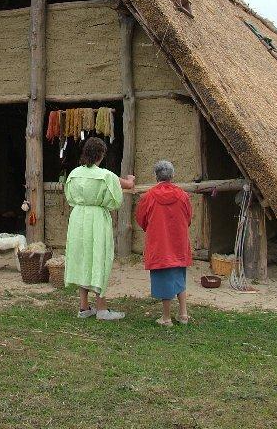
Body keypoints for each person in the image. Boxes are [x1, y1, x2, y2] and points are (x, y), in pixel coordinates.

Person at [64, 136, 135, 321]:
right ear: (101, 154)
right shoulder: (105, 175)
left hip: (78, 218)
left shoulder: (74, 174)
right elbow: (124, 190)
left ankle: (84, 307)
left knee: (83, 259)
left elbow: (69, 196)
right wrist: (130, 179)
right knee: (98, 259)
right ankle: (101, 309)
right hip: (96, 219)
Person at [135, 160, 192, 326]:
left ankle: (166, 318)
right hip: (178, 242)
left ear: (155, 176)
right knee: (179, 275)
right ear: (172, 175)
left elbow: (141, 219)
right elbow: (188, 217)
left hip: (159, 243)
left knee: (163, 278)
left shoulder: (148, 196)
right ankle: (183, 314)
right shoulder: (183, 195)